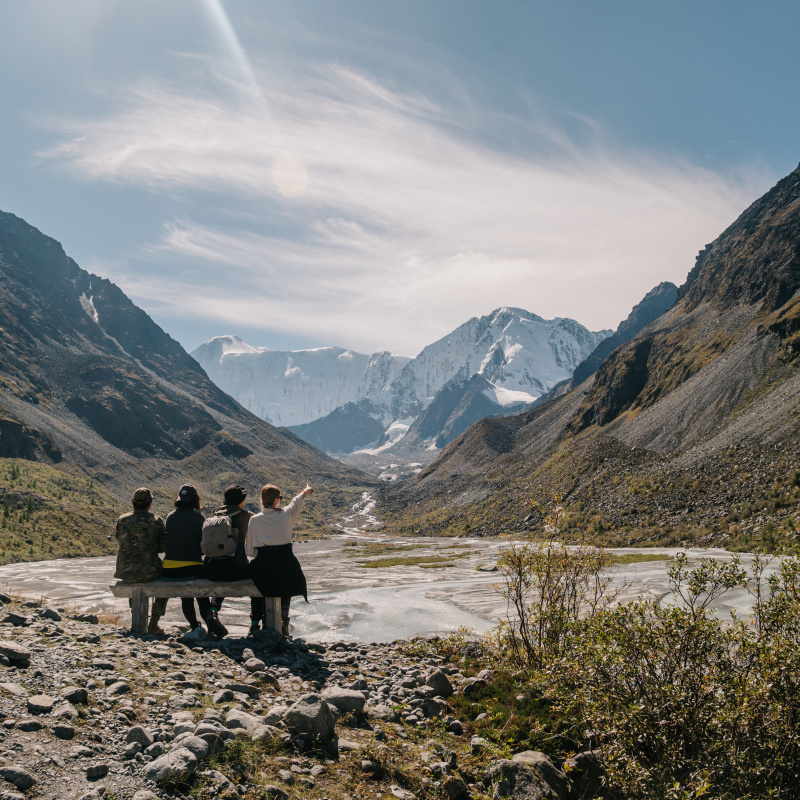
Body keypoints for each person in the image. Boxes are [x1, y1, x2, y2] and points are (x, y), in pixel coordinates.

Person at [246, 482, 314, 636]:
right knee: (287, 581)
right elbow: (296, 502)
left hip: (263, 565)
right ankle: (283, 619)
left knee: (258, 583)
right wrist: (305, 491)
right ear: (276, 500)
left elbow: (249, 550)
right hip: (285, 563)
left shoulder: (254, 520)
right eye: (280, 498)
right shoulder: (286, 514)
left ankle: (259, 622)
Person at [162, 483, 226, 638]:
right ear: (195, 499)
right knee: (201, 595)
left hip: (169, 569)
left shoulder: (170, 516)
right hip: (192, 568)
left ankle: (194, 625)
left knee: (186, 597)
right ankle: (210, 622)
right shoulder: (198, 517)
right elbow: (203, 546)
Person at [205, 484, 266, 636]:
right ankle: (254, 624)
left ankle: (213, 610)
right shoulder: (246, 516)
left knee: (221, 572)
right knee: (258, 581)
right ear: (241, 500)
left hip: (211, 569)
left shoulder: (214, 515)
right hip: (235, 569)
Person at [114, 487, 168, 635]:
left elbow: (119, 539)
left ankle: (136, 614)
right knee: (168, 578)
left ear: (133, 501)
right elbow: (163, 547)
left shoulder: (122, 520)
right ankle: (154, 622)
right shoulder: (155, 520)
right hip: (149, 571)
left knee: (133, 574)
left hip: (125, 571)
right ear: (150, 503)